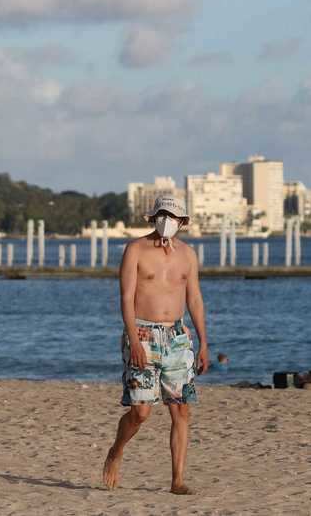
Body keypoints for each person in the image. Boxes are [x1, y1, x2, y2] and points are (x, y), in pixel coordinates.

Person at [103, 195, 209, 495]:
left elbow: (195, 299)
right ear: (152, 217)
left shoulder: (187, 255)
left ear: (183, 222)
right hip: (143, 334)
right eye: (162, 214)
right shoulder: (135, 249)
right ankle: (117, 448)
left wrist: (203, 343)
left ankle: (177, 480)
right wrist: (133, 338)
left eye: (173, 216)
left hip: (177, 337)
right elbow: (125, 298)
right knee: (141, 412)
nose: (167, 220)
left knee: (181, 411)